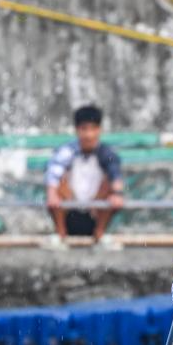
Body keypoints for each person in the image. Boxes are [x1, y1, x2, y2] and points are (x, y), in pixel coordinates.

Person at [44, 105, 125, 248]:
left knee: (110, 185)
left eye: (93, 129)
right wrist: (52, 193)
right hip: (68, 210)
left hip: (96, 211)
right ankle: (60, 233)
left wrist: (117, 194)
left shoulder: (107, 153)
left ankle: (99, 234)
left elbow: (115, 174)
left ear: (99, 130)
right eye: (84, 129)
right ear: (77, 130)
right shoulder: (67, 151)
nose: (89, 135)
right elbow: (54, 171)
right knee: (57, 184)